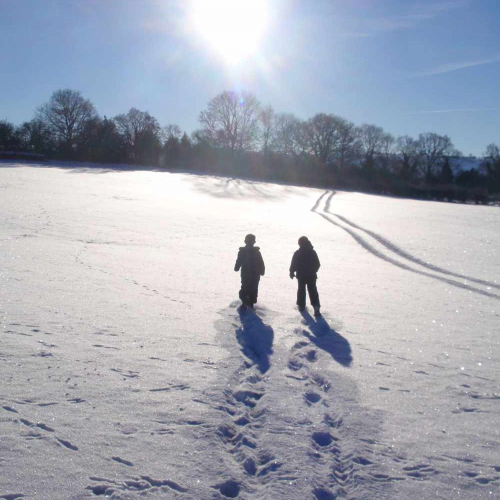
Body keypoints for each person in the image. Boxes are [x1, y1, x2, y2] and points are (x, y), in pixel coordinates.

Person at [289, 236, 321, 316]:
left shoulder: (299, 252)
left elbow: (294, 264)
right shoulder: (311, 252)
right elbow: (317, 264)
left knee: (302, 290)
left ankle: (302, 306)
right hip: (310, 275)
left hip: (303, 275)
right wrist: (292, 271)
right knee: (312, 290)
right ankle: (315, 306)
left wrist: (292, 272)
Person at [234, 234, 265, 310]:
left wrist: (237, 267)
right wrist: (262, 270)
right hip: (254, 273)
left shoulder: (243, 252)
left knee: (246, 286)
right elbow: (261, 262)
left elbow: (239, 261)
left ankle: (246, 300)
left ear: (245, 241)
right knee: (253, 287)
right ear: (254, 242)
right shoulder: (255, 252)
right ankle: (249, 302)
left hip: (247, 273)